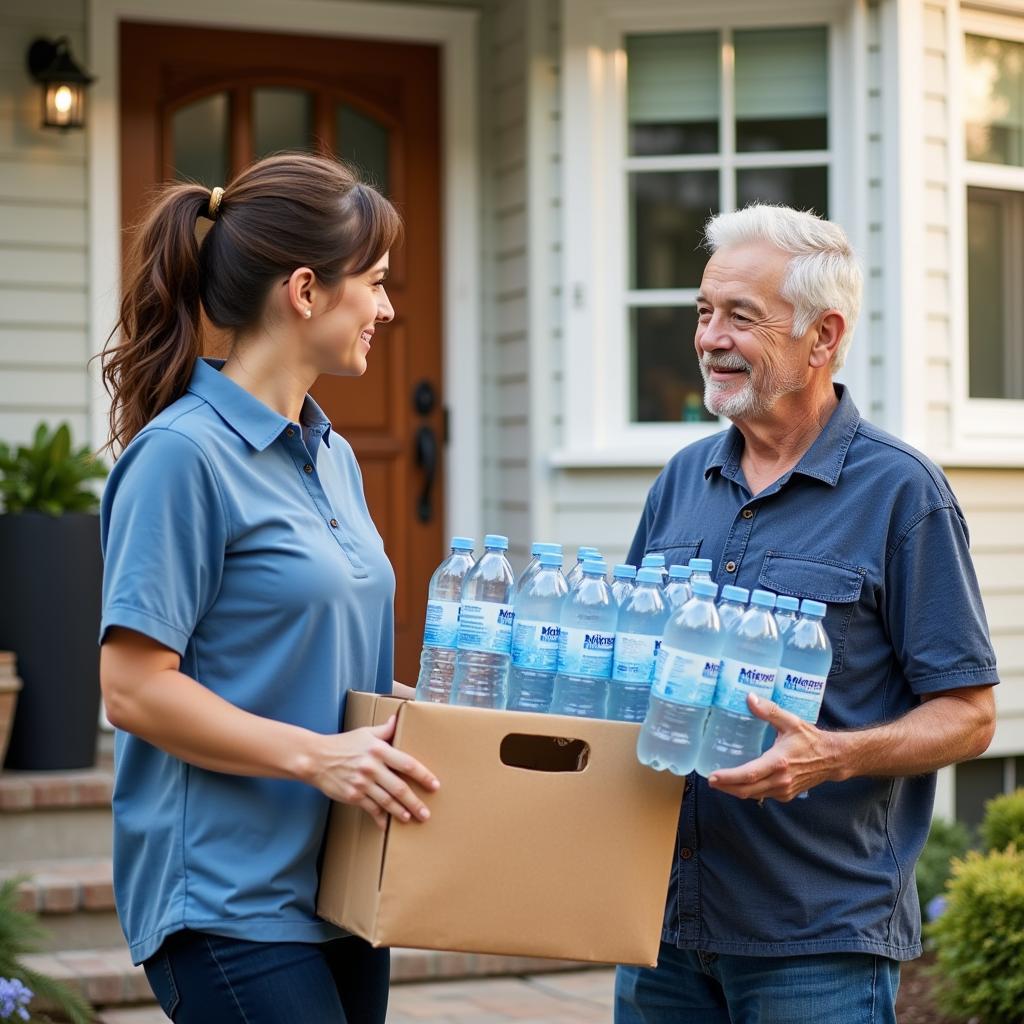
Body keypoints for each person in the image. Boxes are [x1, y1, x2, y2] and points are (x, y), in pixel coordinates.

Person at [616, 205, 998, 1024]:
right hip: (661, 932)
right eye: (704, 311)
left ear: (824, 336)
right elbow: (628, 670)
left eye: (741, 317)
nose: (710, 338)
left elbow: (969, 716)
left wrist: (835, 756)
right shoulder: (680, 482)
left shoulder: (903, 494)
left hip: (814, 944)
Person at [98, 153, 438, 1024]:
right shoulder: (182, 457)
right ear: (305, 291)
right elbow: (134, 690)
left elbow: (317, 662)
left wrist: (438, 719)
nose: (389, 309)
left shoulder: (333, 455)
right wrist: (323, 758)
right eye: (376, 282)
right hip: (225, 897)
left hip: (343, 887)